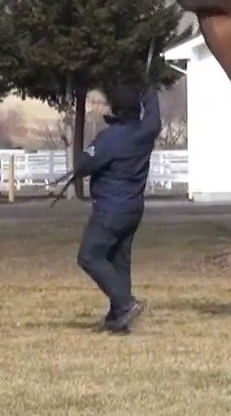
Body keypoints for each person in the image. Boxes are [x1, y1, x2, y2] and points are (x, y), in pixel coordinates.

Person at [68, 84, 161, 333]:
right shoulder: (146, 133)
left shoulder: (110, 138)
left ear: (116, 110)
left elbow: (84, 164)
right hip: (133, 209)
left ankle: (125, 304)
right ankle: (117, 319)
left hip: (110, 208)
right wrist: (149, 89)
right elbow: (154, 117)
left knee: (89, 256)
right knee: (119, 262)